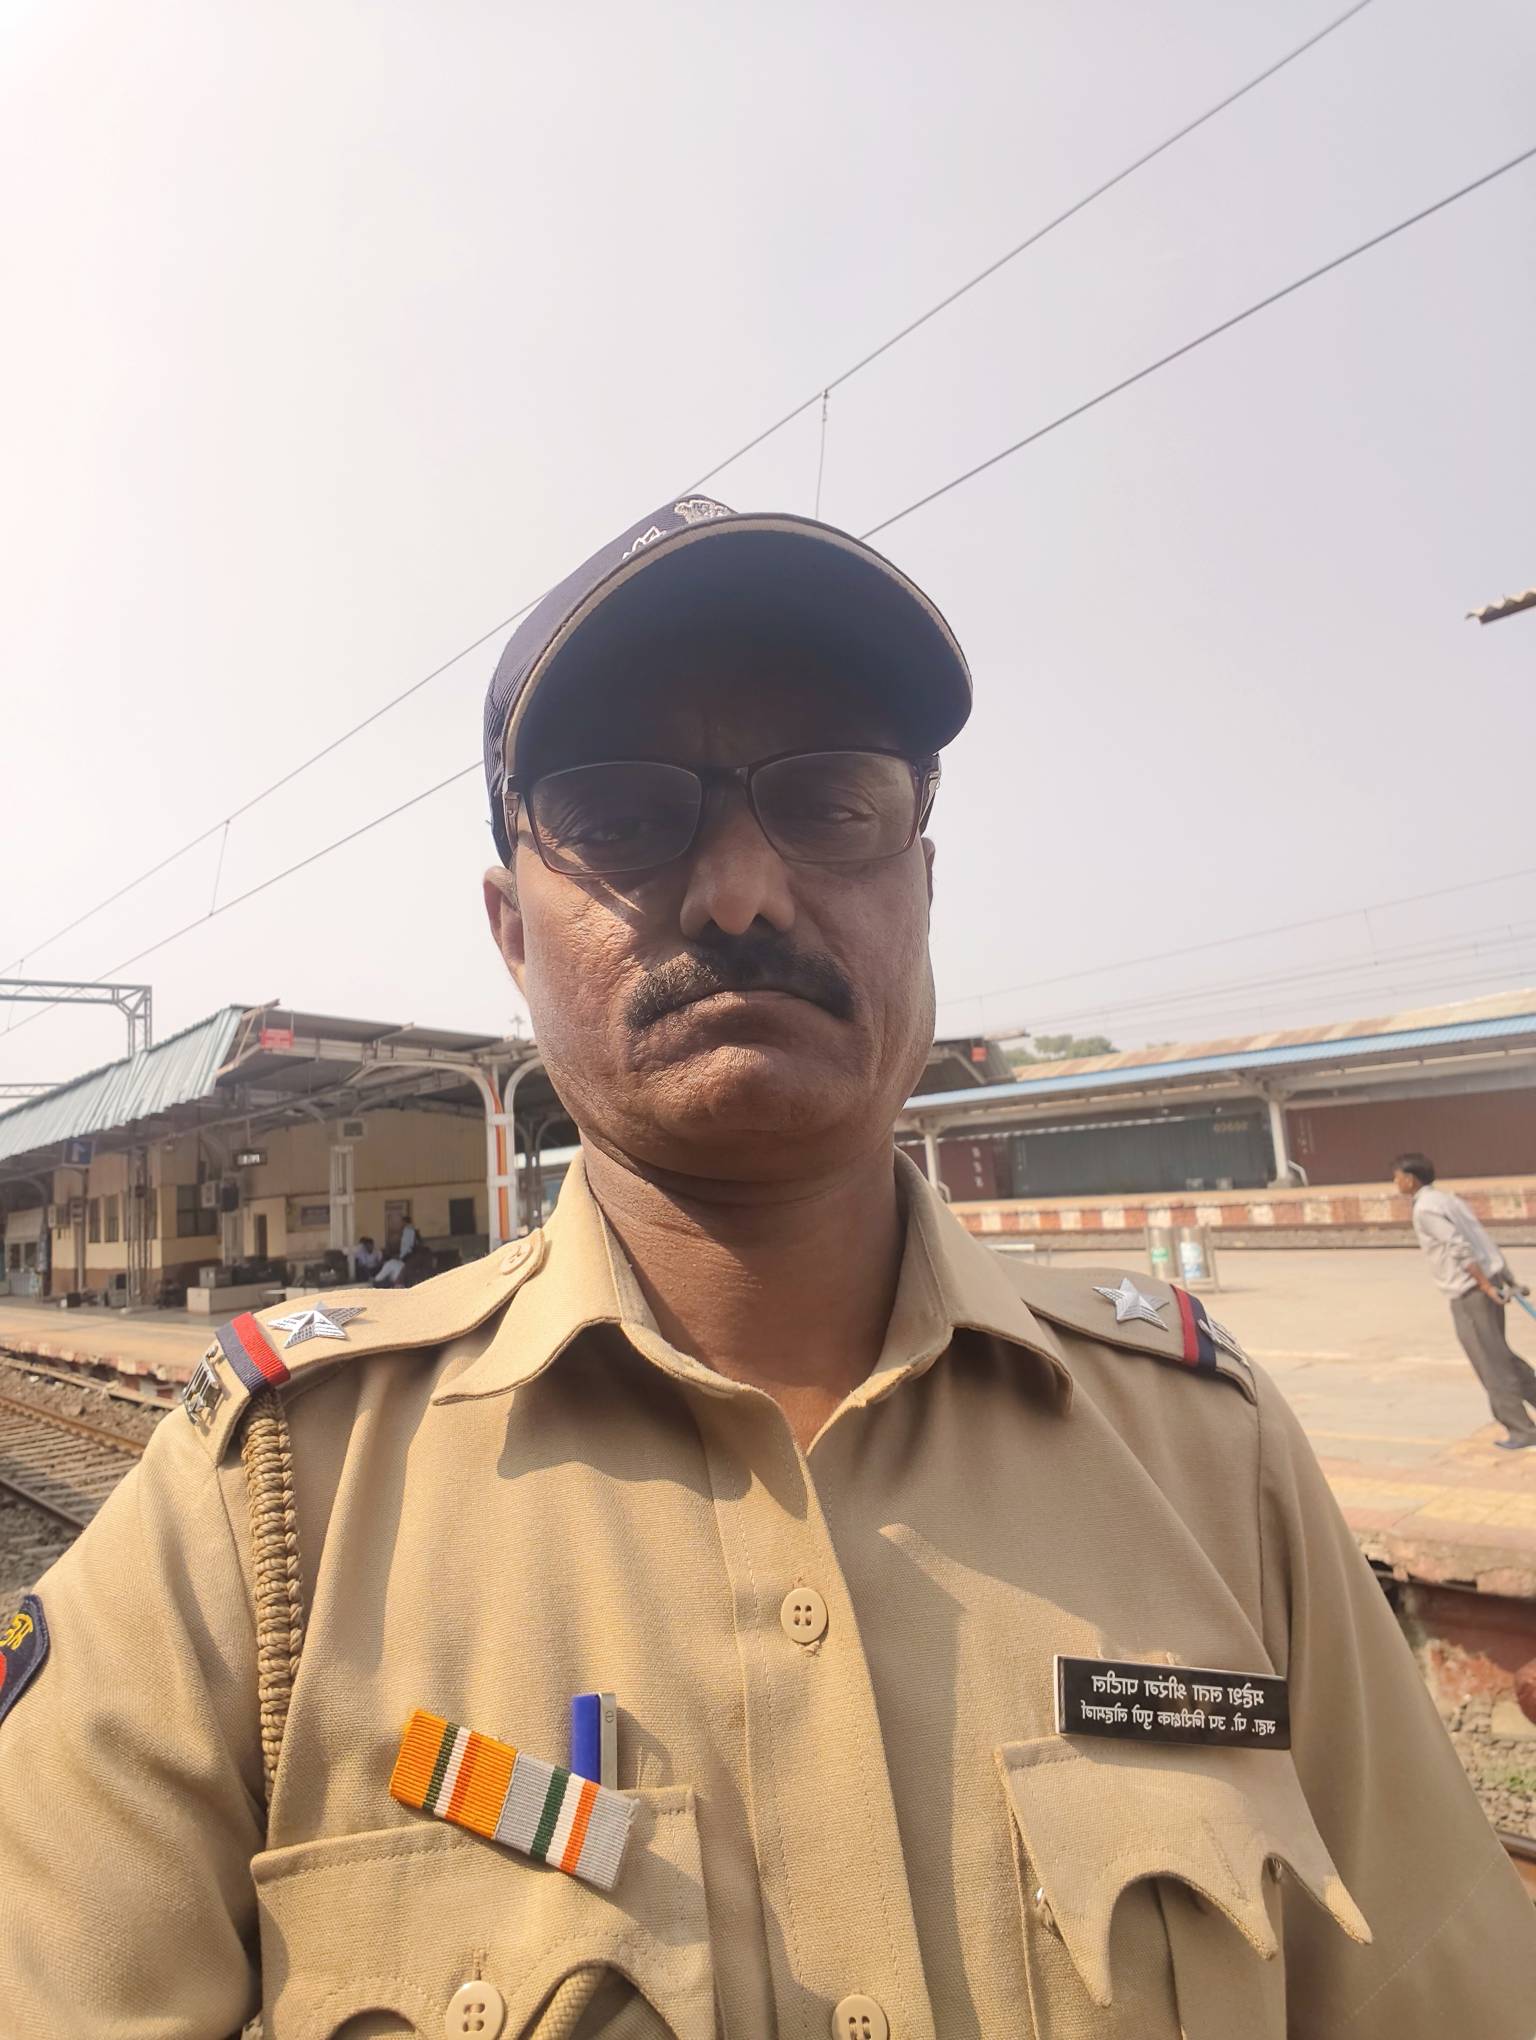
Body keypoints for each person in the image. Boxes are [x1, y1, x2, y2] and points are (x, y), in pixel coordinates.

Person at [2, 501, 1533, 2038]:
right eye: (620, 818)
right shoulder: (271, 1499)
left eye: (834, 803)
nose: (741, 892)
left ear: (922, 885)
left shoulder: (1210, 1455)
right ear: (513, 936)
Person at [1393, 1150, 1536, 1450]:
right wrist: (1505, 1278)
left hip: (1471, 1292)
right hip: (1489, 1280)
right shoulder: (1448, 1200)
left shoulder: (1426, 1209)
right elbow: (1482, 1239)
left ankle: (1521, 1429)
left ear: (1411, 1179)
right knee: (1502, 1355)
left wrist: (1484, 1285)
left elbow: (1459, 1247)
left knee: (1491, 1363)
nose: (1395, 1182)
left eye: (1398, 1177)